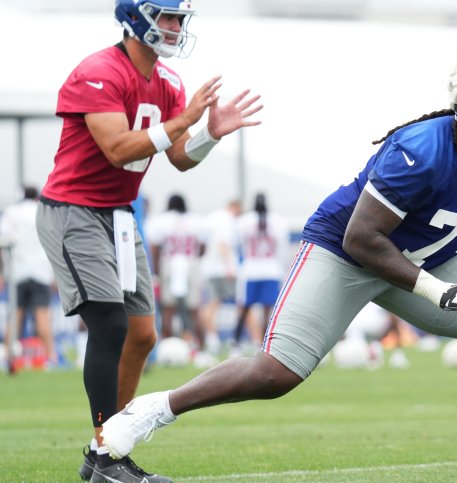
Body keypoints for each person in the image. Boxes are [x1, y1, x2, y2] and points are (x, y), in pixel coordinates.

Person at [100, 39, 457, 482]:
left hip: (424, 258)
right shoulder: (421, 147)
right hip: (347, 253)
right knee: (275, 374)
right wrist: (439, 291)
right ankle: (151, 410)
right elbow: (363, 237)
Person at [34, 0, 262, 481]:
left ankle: (107, 448)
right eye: (168, 16)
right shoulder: (98, 71)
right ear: (136, 17)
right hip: (74, 210)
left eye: (181, 19)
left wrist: (210, 134)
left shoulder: (170, 83)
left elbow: (180, 158)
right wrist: (183, 122)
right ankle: (106, 452)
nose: (176, 27)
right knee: (110, 326)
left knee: (142, 335)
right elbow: (118, 149)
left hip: (118, 215)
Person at [0, 186, 58, 372]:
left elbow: (3, 240)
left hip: (17, 270)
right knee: (42, 315)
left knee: (15, 315)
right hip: (40, 270)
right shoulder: (43, 211)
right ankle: (51, 358)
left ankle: (8, 358)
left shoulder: (11, 213)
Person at [231, 193, 290, 351]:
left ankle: (236, 343)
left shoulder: (244, 221)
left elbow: (236, 244)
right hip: (271, 270)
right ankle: (264, 345)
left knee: (245, 308)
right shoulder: (278, 221)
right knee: (267, 310)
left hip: (251, 270)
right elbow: (282, 250)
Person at [145, 194, 205, 344]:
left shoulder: (161, 220)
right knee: (194, 308)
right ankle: (200, 344)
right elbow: (203, 246)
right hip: (190, 262)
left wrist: (157, 270)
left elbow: (155, 247)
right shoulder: (196, 220)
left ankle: (168, 342)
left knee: (168, 307)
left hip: (169, 262)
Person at [198, 199, 242, 354]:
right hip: (223, 269)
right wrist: (229, 266)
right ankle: (239, 341)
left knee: (210, 305)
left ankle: (212, 339)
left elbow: (201, 243)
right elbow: (224, 243)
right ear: (235, 208)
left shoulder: (212, 218)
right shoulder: (227, 220)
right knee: (241, 304)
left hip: (209, 268)